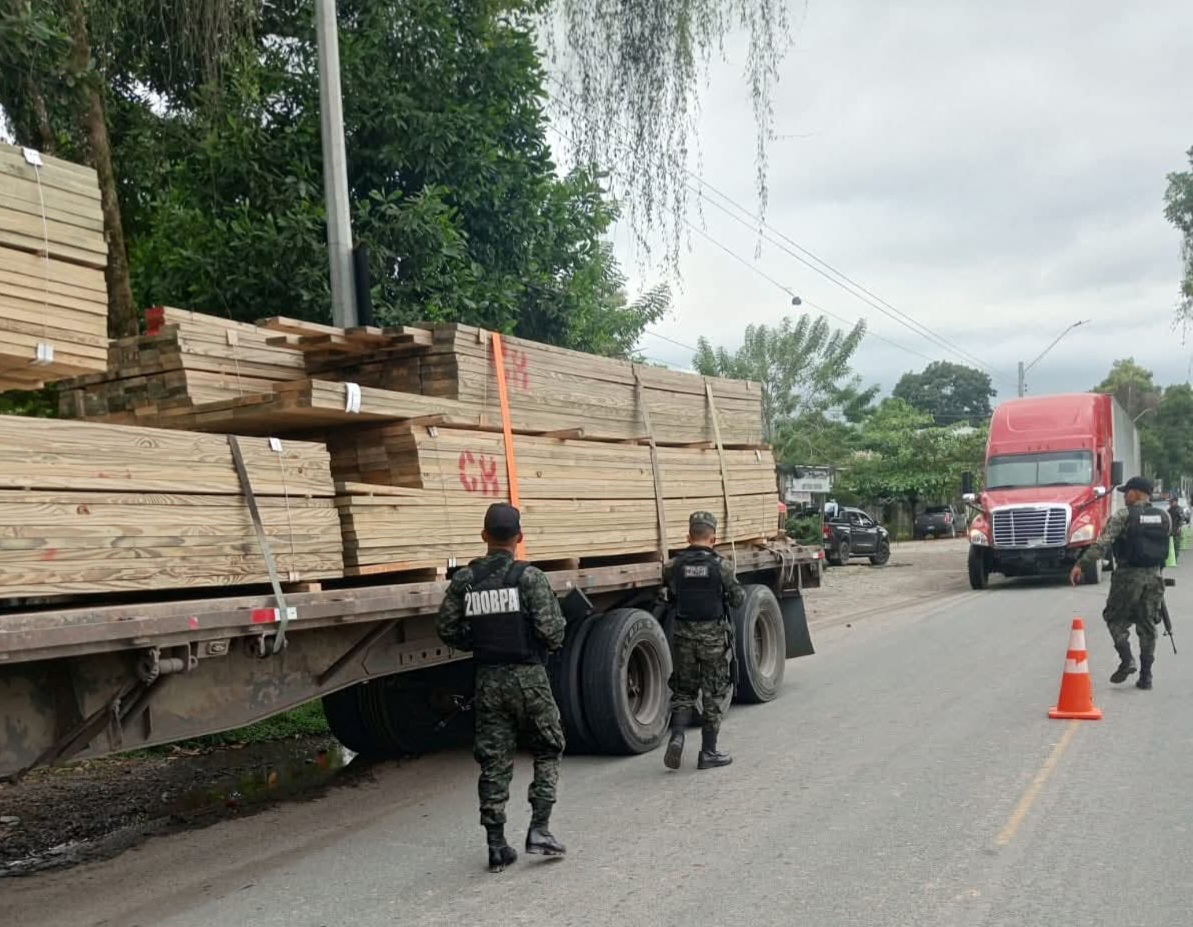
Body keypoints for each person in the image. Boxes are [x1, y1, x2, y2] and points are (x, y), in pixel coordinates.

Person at [436, 503, 567, 872]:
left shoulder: (466, 580)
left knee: (494, 760)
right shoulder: (529, 578)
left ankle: (496, 846)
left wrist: (475, 642)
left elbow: (446, 629)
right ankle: (539, 830)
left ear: (483, 536)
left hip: (488, 679)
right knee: (548, 747)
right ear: (519, 538)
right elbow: (553, 632)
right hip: (528, 678)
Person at [662, 511, 746, 770]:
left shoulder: (672, 566)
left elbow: (670, 591)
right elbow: (738, 599)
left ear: (688, 536)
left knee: (684, 689)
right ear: (714, 538)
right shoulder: (721, 566)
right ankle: (708, 752)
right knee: (713, 693)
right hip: (712, 638)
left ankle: (677, 736)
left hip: (683, 635)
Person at [1070, 477, 1170, 690]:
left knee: (1114, 618)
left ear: (1137, 493)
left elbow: (1102, 543)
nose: (1125, 496)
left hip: (1127, 577)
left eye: (1127, 492)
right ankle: (1146, 677)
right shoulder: (1164, 517)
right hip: (1154, 578)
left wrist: (1081, 564)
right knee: (1148, 625)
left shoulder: (1125, 515)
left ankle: (1127, 660)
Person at [1168, 496, 1185, 563]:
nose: (1171, 503)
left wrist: (1179, 527)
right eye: (1170, 502)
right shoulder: (1169, 510)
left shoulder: (1179, 509)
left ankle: (1175, 558)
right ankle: (1171, 558)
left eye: (1172, 502)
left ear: (1176, 502)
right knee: (1170, 544)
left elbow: (1181, 519)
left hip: (1176, 529)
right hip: (1170, 529)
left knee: (1176, 544)